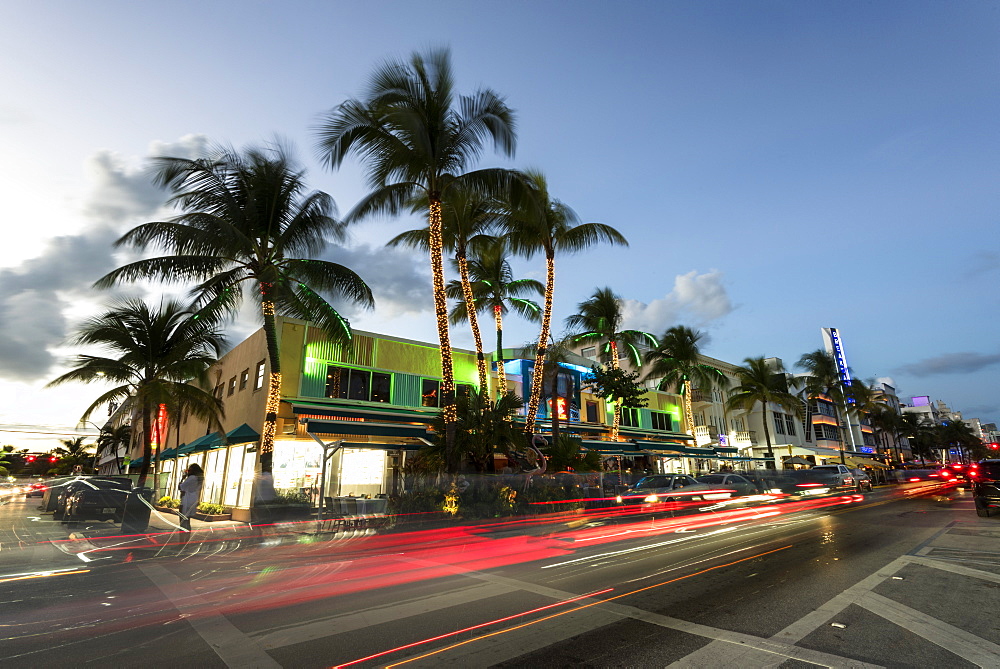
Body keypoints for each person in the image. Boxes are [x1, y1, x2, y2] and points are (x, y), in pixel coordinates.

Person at [178, 463, 204, 531]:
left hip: (187, 498)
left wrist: (182, 478)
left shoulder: (192, 478)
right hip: (193, 498)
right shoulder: (199, 479)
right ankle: (187, 534)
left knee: (182, 518)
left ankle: (182, 536)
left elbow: (180, 487)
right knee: (188, 519)